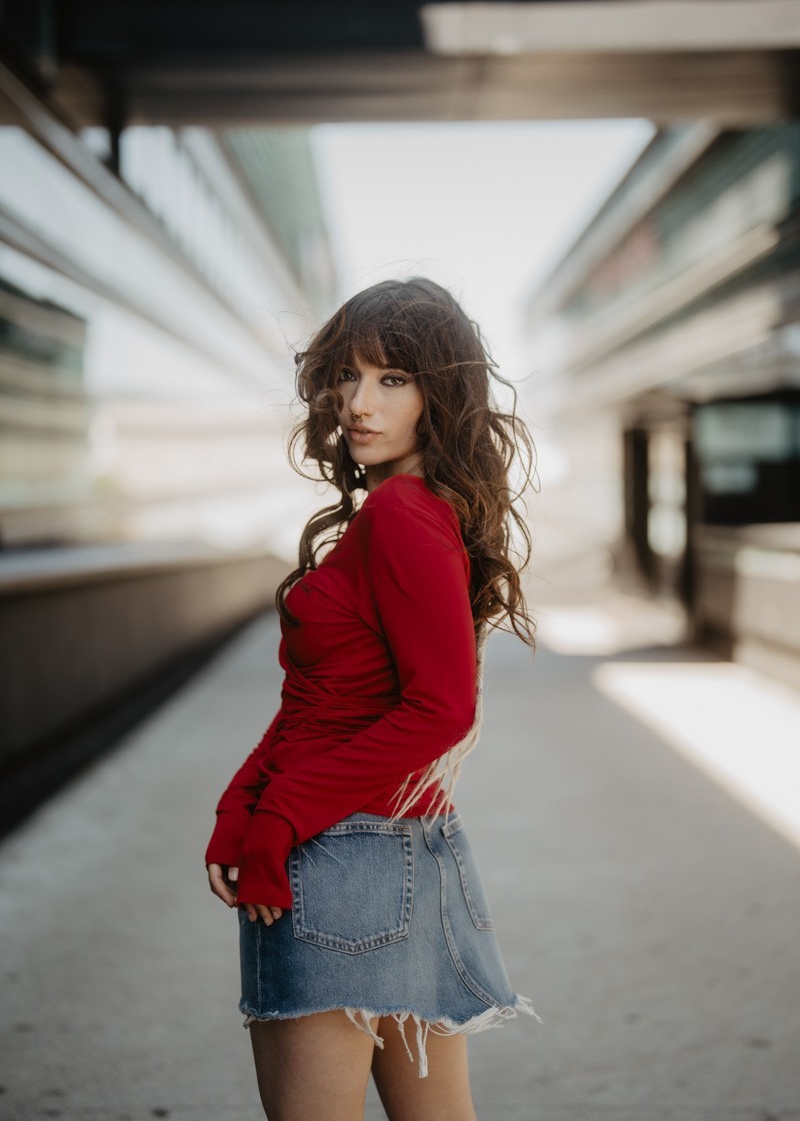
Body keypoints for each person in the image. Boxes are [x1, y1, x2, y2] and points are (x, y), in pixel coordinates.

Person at [206, 277, 538, 1121]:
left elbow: (442, 709)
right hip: (405, 854)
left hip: (338, 861)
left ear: (440, 394)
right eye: (347, 377)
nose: (357, 403)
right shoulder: (412, 513)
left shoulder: (401, 517)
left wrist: (279, 816)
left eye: (392, 379)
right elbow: (321, 699)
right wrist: (243, 799)